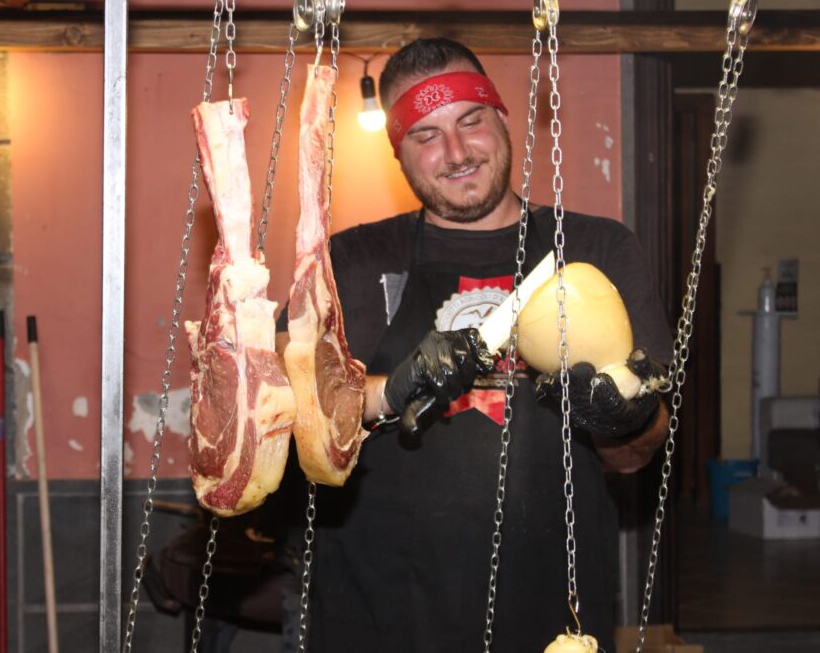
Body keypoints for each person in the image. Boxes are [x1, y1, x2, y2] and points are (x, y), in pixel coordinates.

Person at [274, 37, 673, 652]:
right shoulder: (350, 264)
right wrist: (391, 389)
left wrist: (623, 420)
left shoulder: (599, 251)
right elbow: (284, 421)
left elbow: (635, 456)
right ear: (397, 153)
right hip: (376, 617)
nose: (456, 153)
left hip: (552, 619)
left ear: (500, 116)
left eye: (470, 121)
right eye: (426, 136)